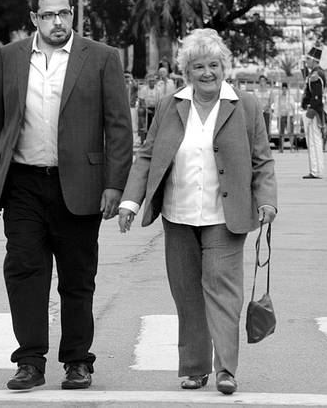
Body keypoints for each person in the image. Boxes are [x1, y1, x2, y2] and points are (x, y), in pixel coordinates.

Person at [0, 0, 133, 391]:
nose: (58, 21)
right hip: (23, 184)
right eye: (48, 14)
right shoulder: (10, 57)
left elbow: (119, 127)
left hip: (80, 185)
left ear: (72, 14)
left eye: (64, 13)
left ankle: (78, 361)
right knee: (25, 272)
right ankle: (29, 361)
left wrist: (115, 184)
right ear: (34, 19)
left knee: (77, 278)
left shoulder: (100, 57)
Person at [117, 28, 277, 395]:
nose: (208, 73)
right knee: (187, 294)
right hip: (179, 214)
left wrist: (267, 199)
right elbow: (148, 154)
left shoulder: (245, 105)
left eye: (214, 65)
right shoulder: (171, 105)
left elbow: (262, 160)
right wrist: (130, 201)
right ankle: (194, 367)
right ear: (187, 72)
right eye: (199, 67)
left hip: (225, 217)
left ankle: (226, 369)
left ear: (225, 67)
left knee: (222, 292)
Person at [301, 46, 325, 179]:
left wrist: (310, 114)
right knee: (314, 141)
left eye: (308, 60)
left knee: (314, 142)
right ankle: (316, 170)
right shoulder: (315, 73)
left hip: (313, 111)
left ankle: (316, 170)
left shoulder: (316, 75)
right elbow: (305, 77)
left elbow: (317, 97)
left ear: (314, 60)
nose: (307, 62)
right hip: (313, 110)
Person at [138, 72, 160, 136]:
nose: (151, 82)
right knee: (141, 111)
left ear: (155, 82)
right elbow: (141, 100)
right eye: (150, 81)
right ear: (148, 82)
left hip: (155, 107)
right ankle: (143, 130)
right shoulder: (144, 89)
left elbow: (160, 100)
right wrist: (146, 109)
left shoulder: (158, 89)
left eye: (153, 81)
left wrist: (157, 108)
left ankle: (156, 132)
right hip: (146, 107)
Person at [276, 82, 294, 153]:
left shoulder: (290, 97)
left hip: (289, 116)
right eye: (282, 88)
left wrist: (293, 117)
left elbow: (293, 107)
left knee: (290, 132)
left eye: (285, 88)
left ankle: (292, 147)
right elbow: (277, 107)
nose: (284, 90)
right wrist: (277, 116)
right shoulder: (278, 97)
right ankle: (281, 148)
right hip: (282, 116)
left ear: (287, 89)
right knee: (281, 132)